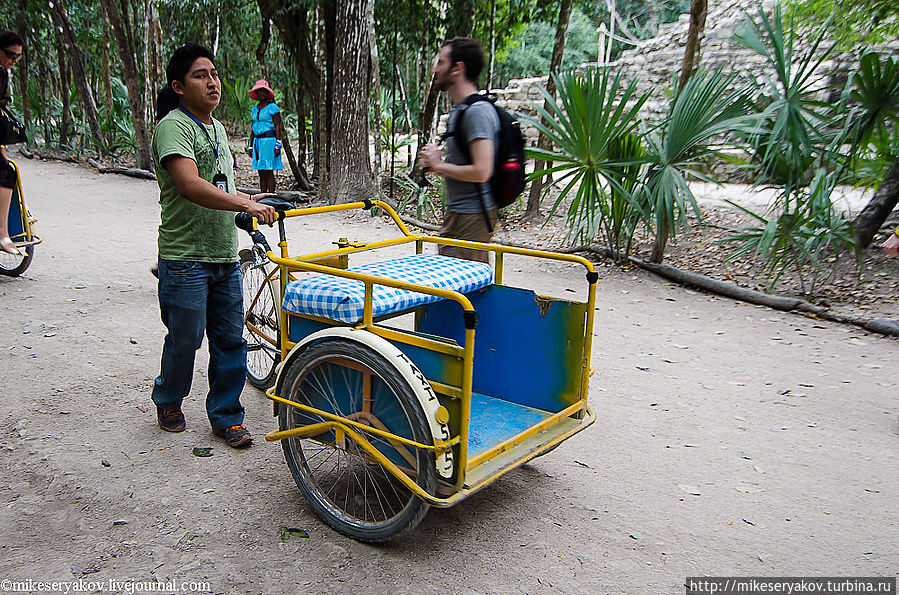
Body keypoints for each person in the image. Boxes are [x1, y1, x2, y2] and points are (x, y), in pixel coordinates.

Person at [150, 43, 277, 448]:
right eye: (200, 75)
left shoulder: (218, 129)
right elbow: (189, 184)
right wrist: (246, 202)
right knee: (185, 338)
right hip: (185, 256)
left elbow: (222, 185)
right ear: (179, 85)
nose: (212, 82)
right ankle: (168, 398)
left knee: (231, 340)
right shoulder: (173, 126)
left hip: (223, 254)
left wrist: (245, 214)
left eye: (214, 74)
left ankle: (226, 415)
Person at [418, 37, 499, 263]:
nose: (435, 69)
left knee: (463, 292)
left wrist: (439, 165)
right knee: (452, 288)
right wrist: (439, 164)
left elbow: (482, 171)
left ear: (457, 68)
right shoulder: (460, 110)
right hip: (459, 214)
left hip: (472, 217)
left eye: (441, 62)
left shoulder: (477, 112)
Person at [0, 30, 24, 256]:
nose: (14, 60)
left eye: (18, 57)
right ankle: (2, 233)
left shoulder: (4, 74)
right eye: (10, 55)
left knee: (8, 172)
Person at [247, 79, 284, 194]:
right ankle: (263, 195)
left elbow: (277, 126)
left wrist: (278, 145)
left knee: (268, 170)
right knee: (260, 171)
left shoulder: (272, 107)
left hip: (269, 141)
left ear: (267, 93)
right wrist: (250, 146)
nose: (261, 94)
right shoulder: (255, 108)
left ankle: (271, 196)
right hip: (257, 142)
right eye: (259, 91)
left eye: (264, 91)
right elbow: (253, 127)